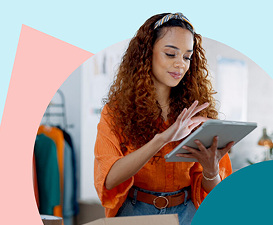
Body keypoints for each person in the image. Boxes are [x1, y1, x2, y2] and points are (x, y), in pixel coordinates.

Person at [94, 12, 233, 225]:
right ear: (146, 53)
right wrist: (163, 139)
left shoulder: (198, 113)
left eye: (187, 57)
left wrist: (211, 170)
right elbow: (110, 179)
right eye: (170, 54)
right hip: (134, 213)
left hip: (188, 214)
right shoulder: (115, 112)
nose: (181, 64)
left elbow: (215, 192)